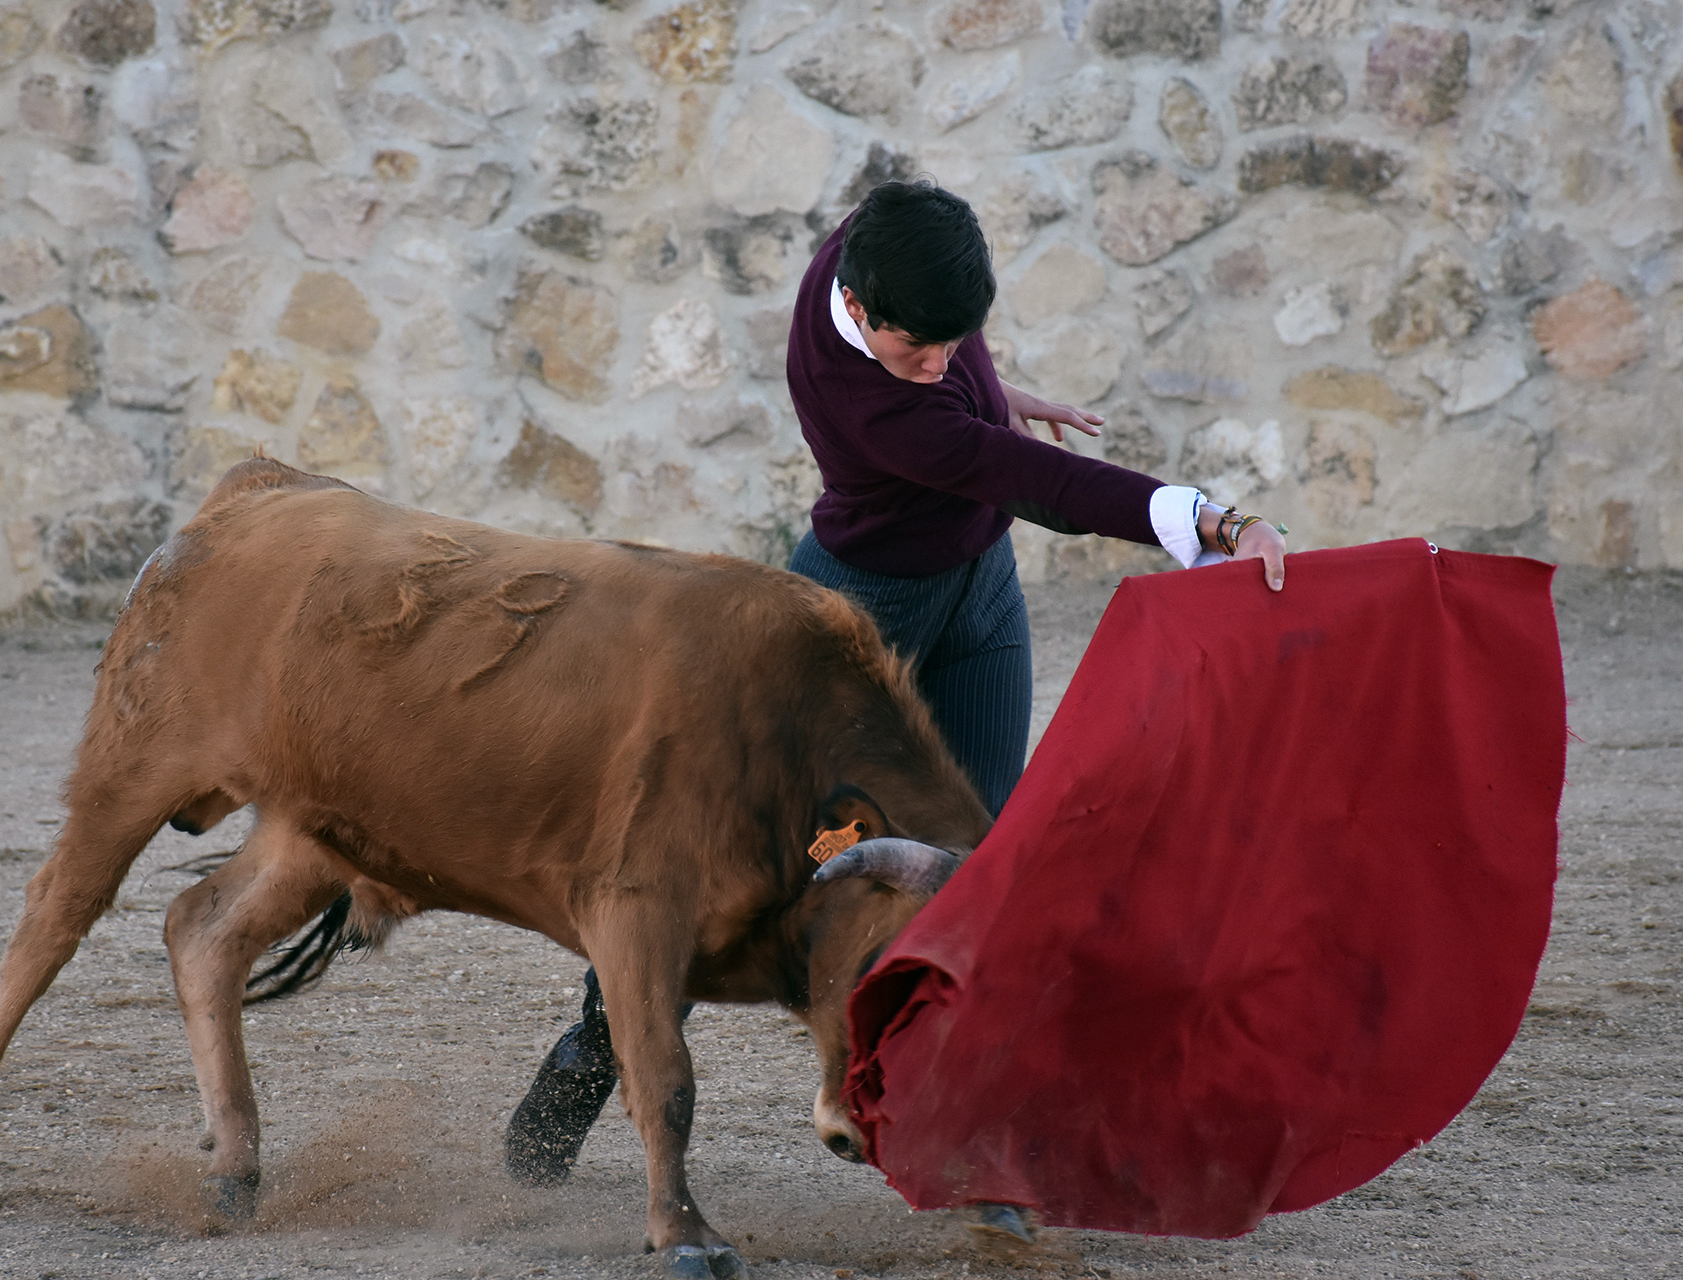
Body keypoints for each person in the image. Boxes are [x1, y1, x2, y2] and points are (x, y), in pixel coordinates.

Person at [504, 180, 1289, 1230]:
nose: (938, 364)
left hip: (980, 593)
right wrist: (1217, 521)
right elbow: (1033, 482)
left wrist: (990, 386)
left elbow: (968, 405)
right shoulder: (876, 401)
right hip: (854, 614)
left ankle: (977, 1140)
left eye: (952, 344)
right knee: (736, 853)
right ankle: (599, 1040)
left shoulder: (886, 246)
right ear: (863, 313)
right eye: (919, 351)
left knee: (985, 859)